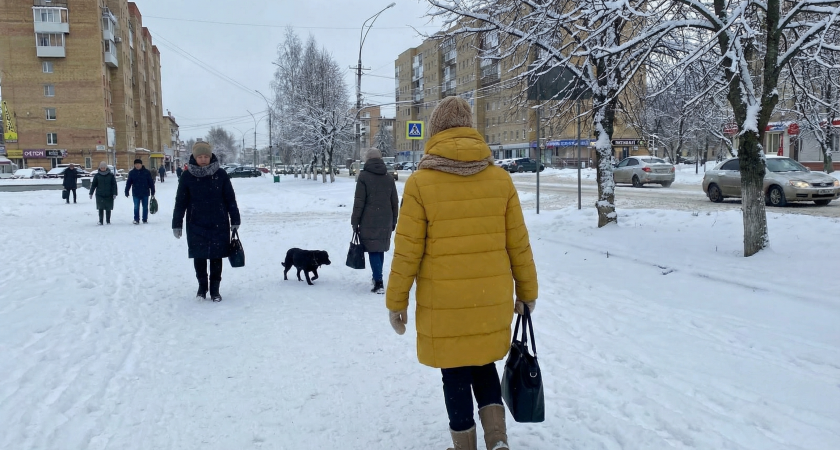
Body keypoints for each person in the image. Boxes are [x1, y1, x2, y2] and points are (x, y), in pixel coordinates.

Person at [386, 97, 538, 450]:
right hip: (490, 299)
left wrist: (396, 302)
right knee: (483, 365)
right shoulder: (500, 180)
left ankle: (464, 445)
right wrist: (527, 293)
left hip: (444, 302)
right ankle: (497, 440)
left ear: (435, 131)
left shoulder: (420, 184)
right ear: (470, 128)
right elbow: (519, 244)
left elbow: (407, 252)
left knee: (454, 371)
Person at [172, 141, 241, 302]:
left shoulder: (221, 174)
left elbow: (230, 199)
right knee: (199, 256)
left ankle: (215, 290)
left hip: (219, 222)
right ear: (194, 157)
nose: (203, 159)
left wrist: (235, 219)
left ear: (210, 157)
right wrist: (177, 223)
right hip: (195, 223)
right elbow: (180, 202)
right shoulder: (187, 176)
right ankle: (202, 288)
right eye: (200, 157)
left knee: (217, 257)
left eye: (206, 156)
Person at [351, 148, 399, 294]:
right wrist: (394, 219)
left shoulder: (364, 176)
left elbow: (359, 202)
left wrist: (355, 221)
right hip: (386, 219)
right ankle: (377, 277)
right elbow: (394, 201)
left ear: (367, 160)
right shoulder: (388, 177)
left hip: (368, 220)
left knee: (373, 249)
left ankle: (378, 282)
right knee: (379, 248)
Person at [125, 158, 156, 224]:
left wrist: (153, 191)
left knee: (145, 207)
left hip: (145, 192)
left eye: (138, 164)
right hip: (136, 192)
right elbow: (129, 183)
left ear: (141, 164)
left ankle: (145, 219)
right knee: (136, 207)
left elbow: (151, 182)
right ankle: (136, 219)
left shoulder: (146, 172)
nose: (137, 165)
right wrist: (126, 191)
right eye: (136, 164)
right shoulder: (132, 173)